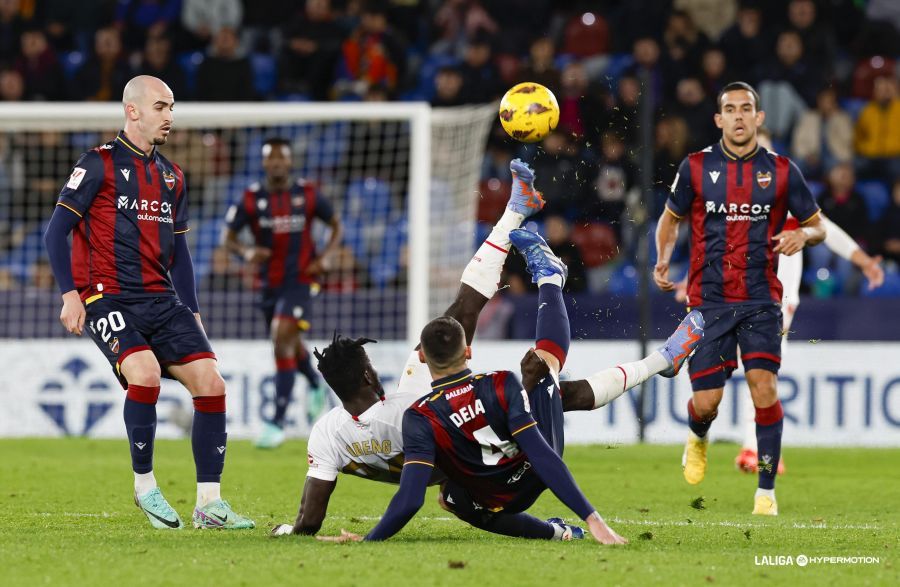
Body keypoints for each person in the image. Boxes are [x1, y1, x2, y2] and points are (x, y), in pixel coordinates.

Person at [271, 161, 704, 538]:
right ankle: (562, 283)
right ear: (370, 375)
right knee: (543, 372)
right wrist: (592, 518)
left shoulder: (328, 433)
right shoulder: (421, 413)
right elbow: (521, 454)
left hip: (458, 463)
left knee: (474, 470)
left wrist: (293, 529)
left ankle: (518, 211)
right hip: (495, 461)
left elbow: (313, 518)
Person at [316, 230, 631, 544]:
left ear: (422, 357)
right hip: (535, 473)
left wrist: (368, 541)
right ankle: (551, 281)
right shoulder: (499, 382)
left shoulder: (420, 415)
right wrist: (593, 519)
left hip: (494, 494)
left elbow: (410, 499)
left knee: (453, 497)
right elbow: (543, 456)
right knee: (543, 365)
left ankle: (552, 278)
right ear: (468, 351)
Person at [42, 75, 254, 530]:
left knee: (212, 384)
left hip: (162, 300)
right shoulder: (96, 164)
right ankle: (146, 488)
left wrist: (192, 309)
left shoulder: (173, 176)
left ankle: (209, 504)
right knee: (145, 373)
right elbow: (55, 231)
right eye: (161, 107)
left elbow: (180, 254)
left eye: (172, 108)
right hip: (107, 296)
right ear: (133, 110)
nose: (170, 117)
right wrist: (70, 295)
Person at [654, 81, 826, 516]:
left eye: (746, 108)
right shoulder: (695, 167)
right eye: (729, 109)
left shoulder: (783, 170)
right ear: (718, 119)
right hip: (709, 301)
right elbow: (670, 218)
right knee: (707, 403)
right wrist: (661, 261)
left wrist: (800, 234)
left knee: (763, 388)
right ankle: (697, 436)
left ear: (759, 117)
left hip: (761, 298)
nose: (738, 116)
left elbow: (818, 225)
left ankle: (765, 494)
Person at [732, 131, 884, 472]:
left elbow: (826, 230)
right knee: (759, 370)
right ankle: (763, 449)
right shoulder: (735, 200)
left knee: (760, 369)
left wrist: (863, 262)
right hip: (743, 294)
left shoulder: (787, 195)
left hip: (778, 297)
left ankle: (756, 448)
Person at [223, 137, 343, 449]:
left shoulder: (308, 194)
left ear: (290, 162)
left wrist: (327, 256)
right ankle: (316, 382)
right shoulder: (251, 198)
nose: (276, 163)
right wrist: (246, 253)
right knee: (288, 343)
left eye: (281, 158)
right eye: (270, 158)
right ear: (264, 163)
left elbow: (336, 225)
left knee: (281, 338)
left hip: (302, 280)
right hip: (268, 284)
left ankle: (276, 423)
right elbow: (229, 237)